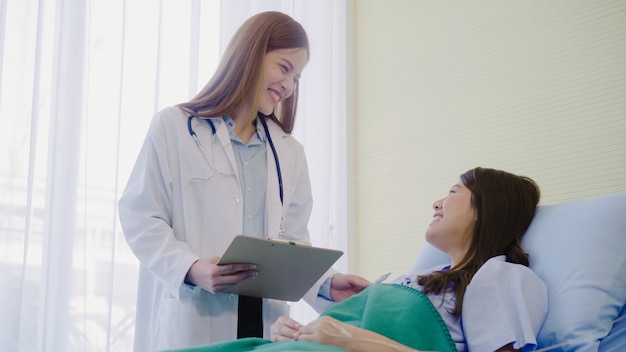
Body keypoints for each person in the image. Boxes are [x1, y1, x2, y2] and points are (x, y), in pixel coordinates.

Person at [118, 11, 370, 352]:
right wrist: (191, 268)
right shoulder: (174, 128)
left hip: (266, 326)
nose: (289, 85)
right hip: (194, 318)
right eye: (284, 68)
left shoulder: (289, 153)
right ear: (251, 55)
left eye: (297, 78)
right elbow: (141, 217)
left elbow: (293, 244)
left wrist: (328, 285)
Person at [268, 167, 548, 352]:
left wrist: (350, 339)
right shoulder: (427, 277)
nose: (437, 203)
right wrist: (299, 333)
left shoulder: (498, 275)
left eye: (453, 192)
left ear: (486, 209)